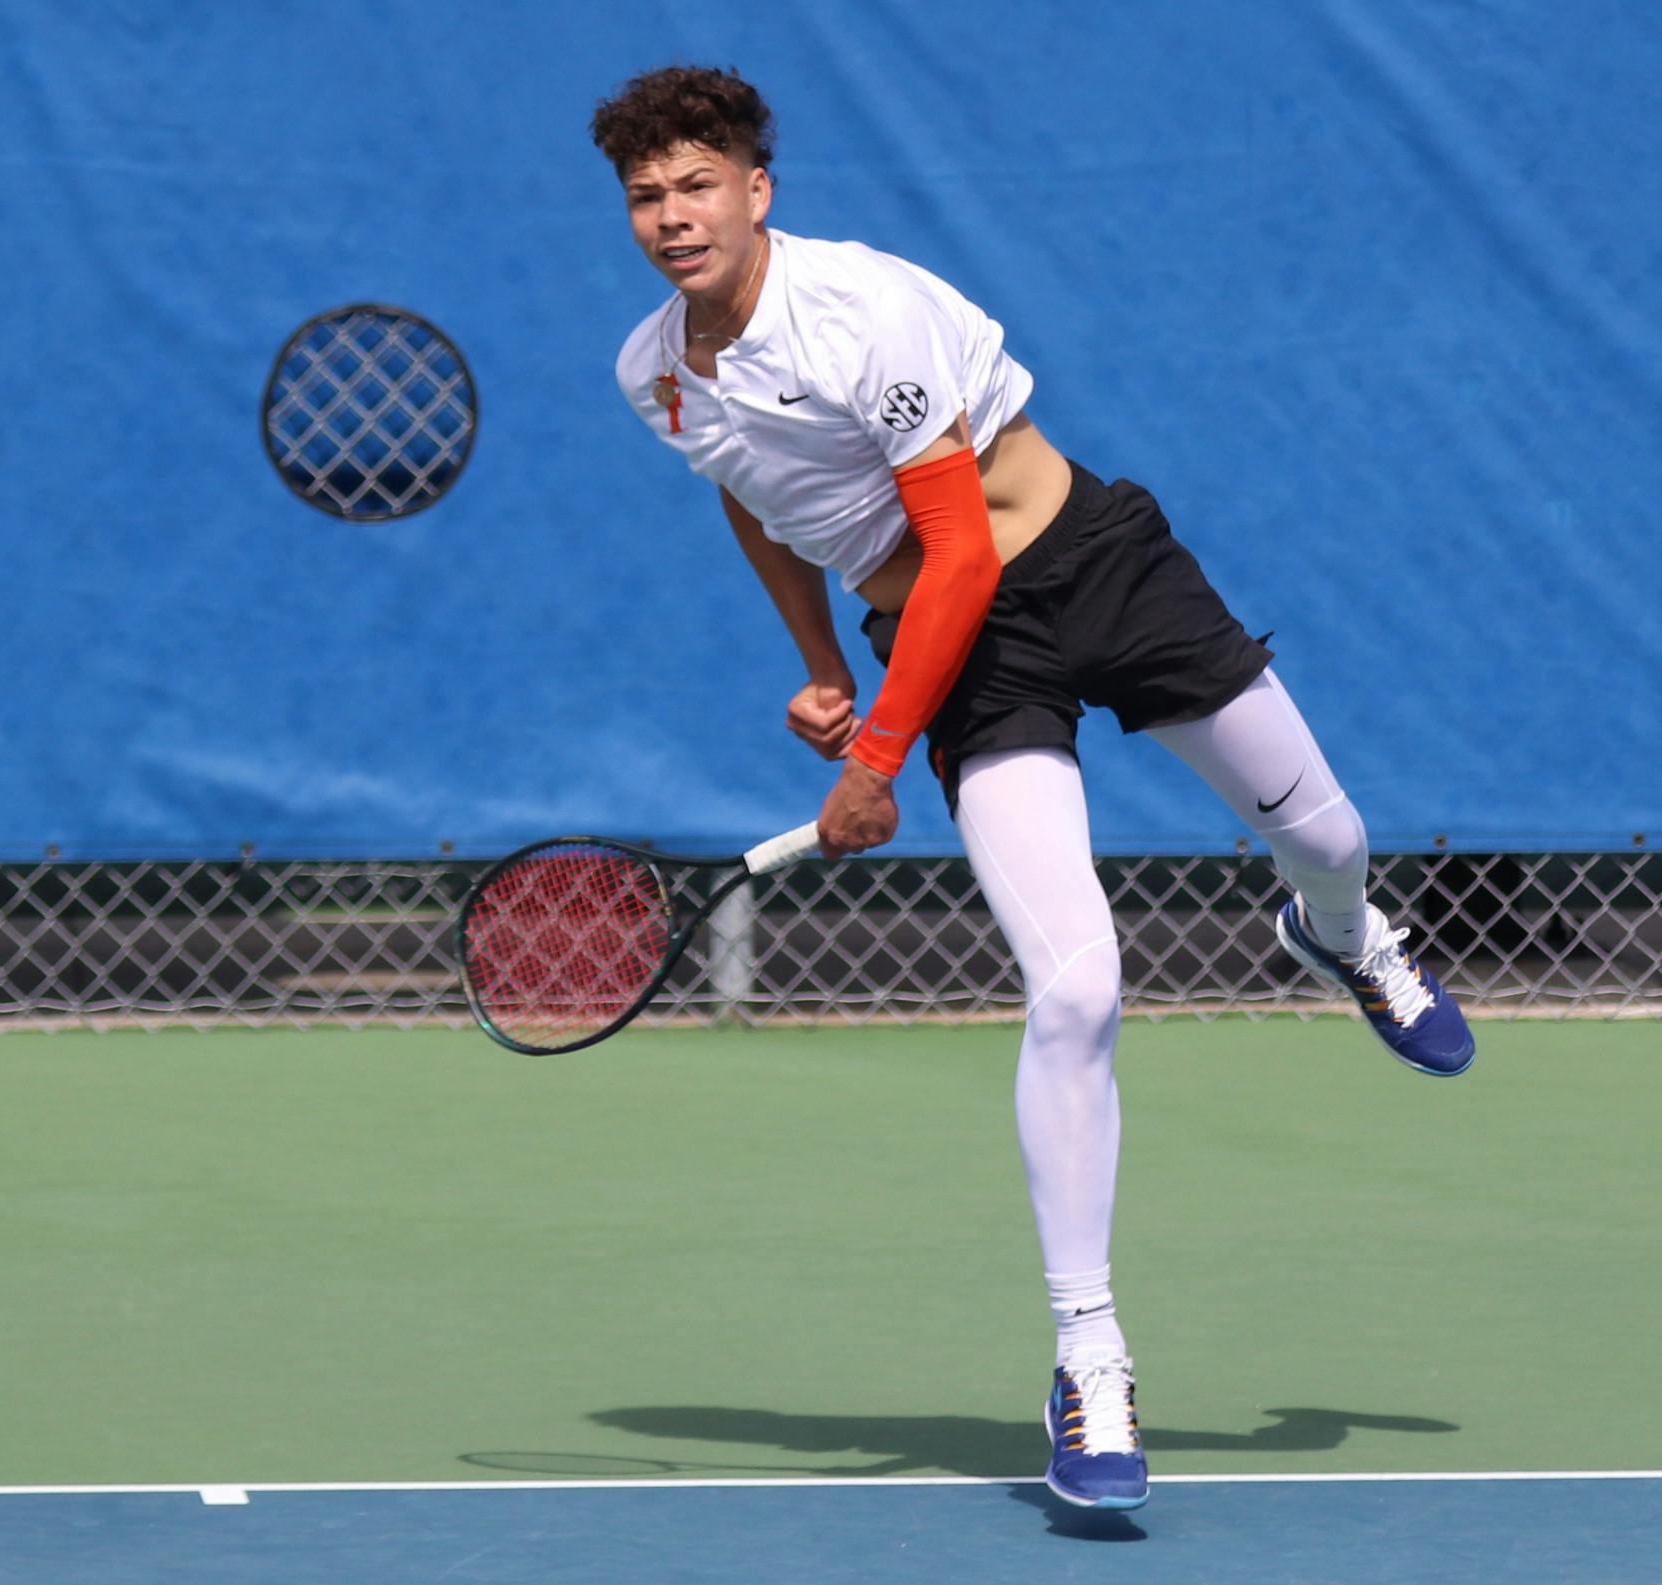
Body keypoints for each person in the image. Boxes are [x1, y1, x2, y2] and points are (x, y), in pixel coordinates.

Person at [591, 65, 1473, 1512]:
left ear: (759, 190)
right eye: (646, 196)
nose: (673, 217)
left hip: (1089, 569)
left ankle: (1337, 931)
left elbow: (961, 552)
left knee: (1330, 832)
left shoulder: (862, 309)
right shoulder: (655, 375)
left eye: (699, 185)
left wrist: (877, 752)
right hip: (958, 656)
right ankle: (1091, 1353)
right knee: (1073, 987)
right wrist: (820, 661)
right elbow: (762, 503)